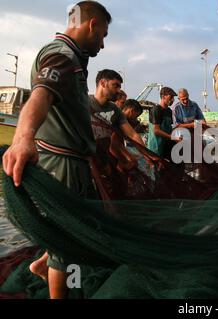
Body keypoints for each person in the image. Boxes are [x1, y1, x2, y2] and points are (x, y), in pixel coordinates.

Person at [2, 1, 111, 299]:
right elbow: (41, 94)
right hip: (63, 162)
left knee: (79, 224)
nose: (102, 44)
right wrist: (23, 137)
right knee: (68, 237)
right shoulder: (62, 56)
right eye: (102, 35)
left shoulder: (70, 58)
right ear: (91, 25)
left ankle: (40, 265)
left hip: (73, 161)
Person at [147, 87, 179, 159]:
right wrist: (172, 137)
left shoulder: (169, 111)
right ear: (163, 96)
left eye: (173, 98)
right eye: (171, 97)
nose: (173, 100)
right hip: (155, 147)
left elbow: (169, 128)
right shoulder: (156, 110)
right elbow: (156, 131)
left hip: (165, 145)